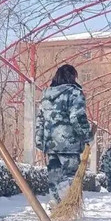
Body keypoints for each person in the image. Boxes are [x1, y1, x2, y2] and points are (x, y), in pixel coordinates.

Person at [35, 64, 92, 207]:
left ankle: (55, 204)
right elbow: (76, 117)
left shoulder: (46, 94)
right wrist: (87, 135)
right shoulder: (74, 93)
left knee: (54, 176)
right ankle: (69, 206)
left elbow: (40, 119)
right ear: (72, 77)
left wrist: (39, 139)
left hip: (50, 143)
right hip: (69, 144)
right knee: (71, 176)